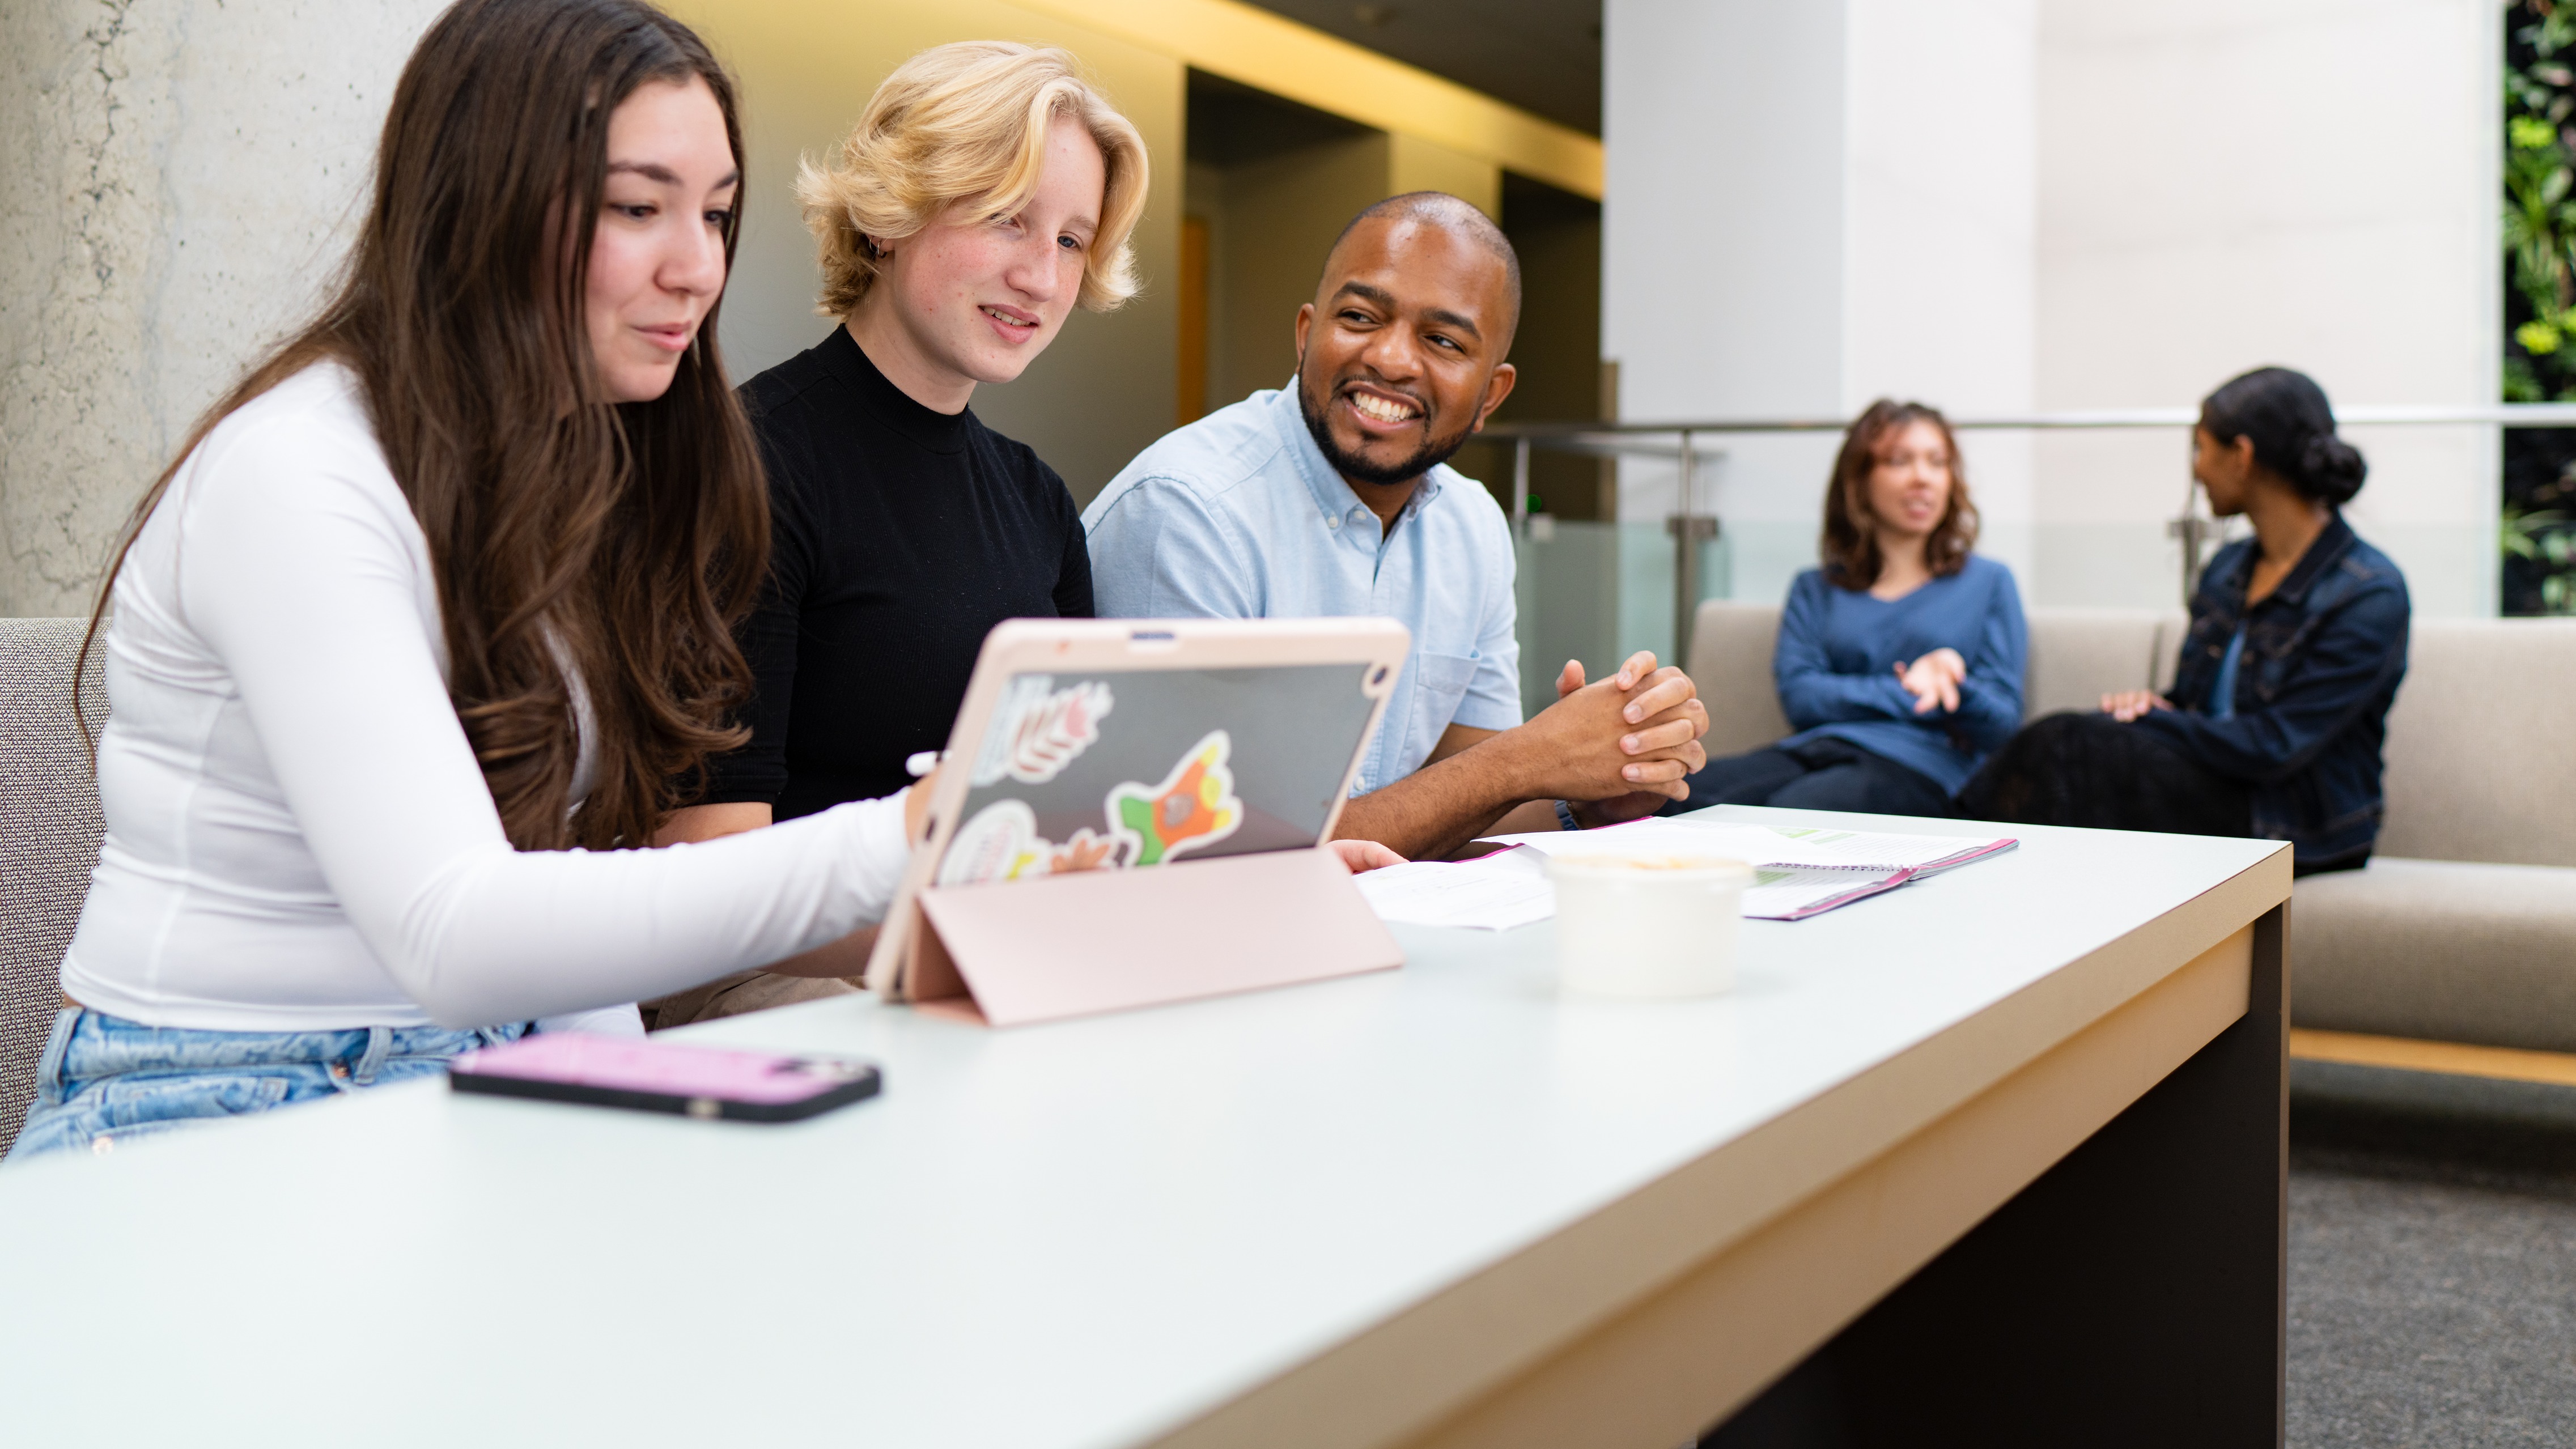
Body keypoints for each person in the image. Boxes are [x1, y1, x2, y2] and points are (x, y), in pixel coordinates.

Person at [11, 0, 928, 1161]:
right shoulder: (296, 475)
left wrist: (649, 1135)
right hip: (208, 1105)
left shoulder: (565, 475)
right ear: (482, 204)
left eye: (716, 214)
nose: (697, 268)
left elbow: (555, 915)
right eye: (637, 209)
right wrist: (896, 842)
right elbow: (456, 929)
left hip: (473, 1075)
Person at [643, 43, 1151, 1025]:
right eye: (1008, 217)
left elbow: (1075, 819)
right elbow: (706, 873)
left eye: (1072, 241)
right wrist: (989, 935)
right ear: (891, 212)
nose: (1041, 278)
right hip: (780, 992)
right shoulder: (748, 466)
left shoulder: (1039, 502)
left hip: (987, 968)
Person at [1082, 193, 1709, 862]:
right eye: (1359, 317)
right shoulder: (1188, 511)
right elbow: (1206, 854)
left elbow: (1467, 803)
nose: (1391, 359)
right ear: (1304, 334)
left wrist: (1590, 792)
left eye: (1442, 340)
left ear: (1490, 396)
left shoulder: (1473, 526)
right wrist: (1528, 757)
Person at [1959, 367, 2409, 874]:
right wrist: (2153, 708)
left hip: (2291, 819)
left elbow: (2275, 744)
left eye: (2201, 450)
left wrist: (2158, 722)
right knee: (2079, 757)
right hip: (2207, 783)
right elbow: (2195, 706)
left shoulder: (2368, 592)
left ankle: (1950, 854)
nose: (2197, 470)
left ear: (2241, 456)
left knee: (2071, 746)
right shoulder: (2228, 569)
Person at [1667, 401, 2026, 818]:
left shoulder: (1989, 583)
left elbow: (2001, 724)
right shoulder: (1815, 588)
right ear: (1860, 480)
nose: (1922, 478)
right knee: (1677, 796)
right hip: (1814, 749)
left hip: (1922, 767)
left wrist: (1953, 685)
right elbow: (1802, 699)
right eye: (1899, 461)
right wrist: (1914, 690)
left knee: (1794, 814)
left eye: (1937, 462)